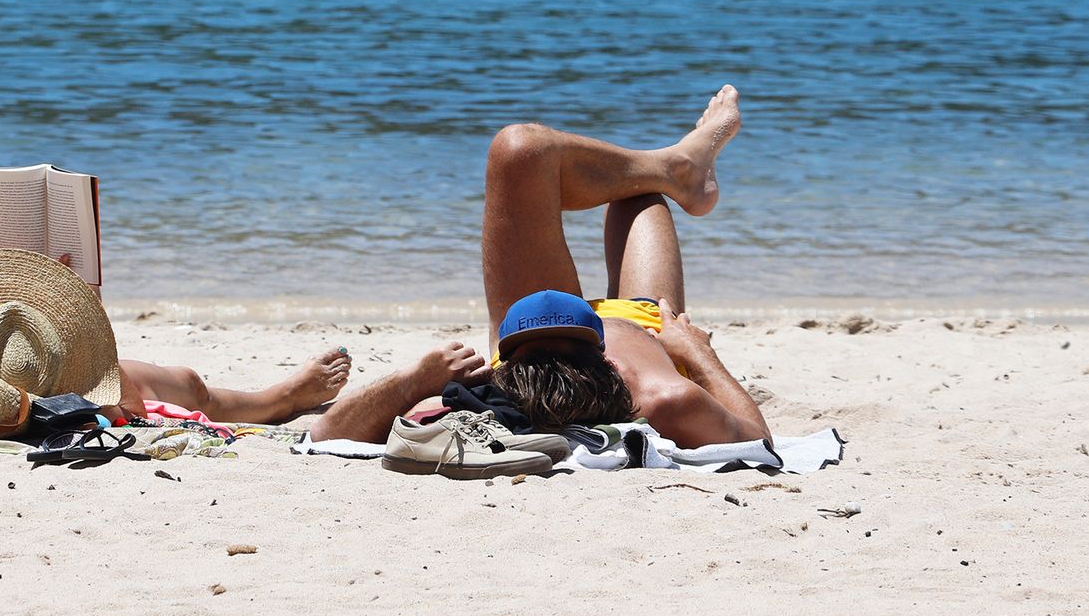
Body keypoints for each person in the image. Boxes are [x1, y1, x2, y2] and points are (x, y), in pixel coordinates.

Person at [311, 85, 771, 449]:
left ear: (501, 362)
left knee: (519, 149)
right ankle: (674, 169)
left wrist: (414, 379)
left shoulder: (489, 396)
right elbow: (760, 443)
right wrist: (696, 353)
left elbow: (327, 434)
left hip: (530, 325)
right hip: (649, 324)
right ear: (602, 353)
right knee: (639, 195)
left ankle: (674, 168)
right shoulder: (666, 397)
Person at [0, 245, 351, 425]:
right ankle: (282, 399)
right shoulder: (45, 385)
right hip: (43, 397)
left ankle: (283, 397)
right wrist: (86, 319)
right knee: (187, 386)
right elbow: (129, 407)